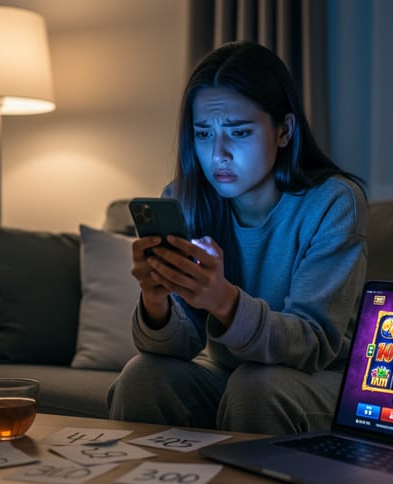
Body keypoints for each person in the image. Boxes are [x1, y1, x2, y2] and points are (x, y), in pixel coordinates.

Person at [107, 41, 367, 434]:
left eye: (239, 132)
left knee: (257, 386)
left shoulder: (333, 201)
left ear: (284, 131)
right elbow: (177, 348)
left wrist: (224, 301)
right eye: (203, 133)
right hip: (230, 373)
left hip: (317, 378)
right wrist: (155, 299)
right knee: (142, 375)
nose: (218, 154)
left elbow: (314, 343)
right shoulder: (183, 199)